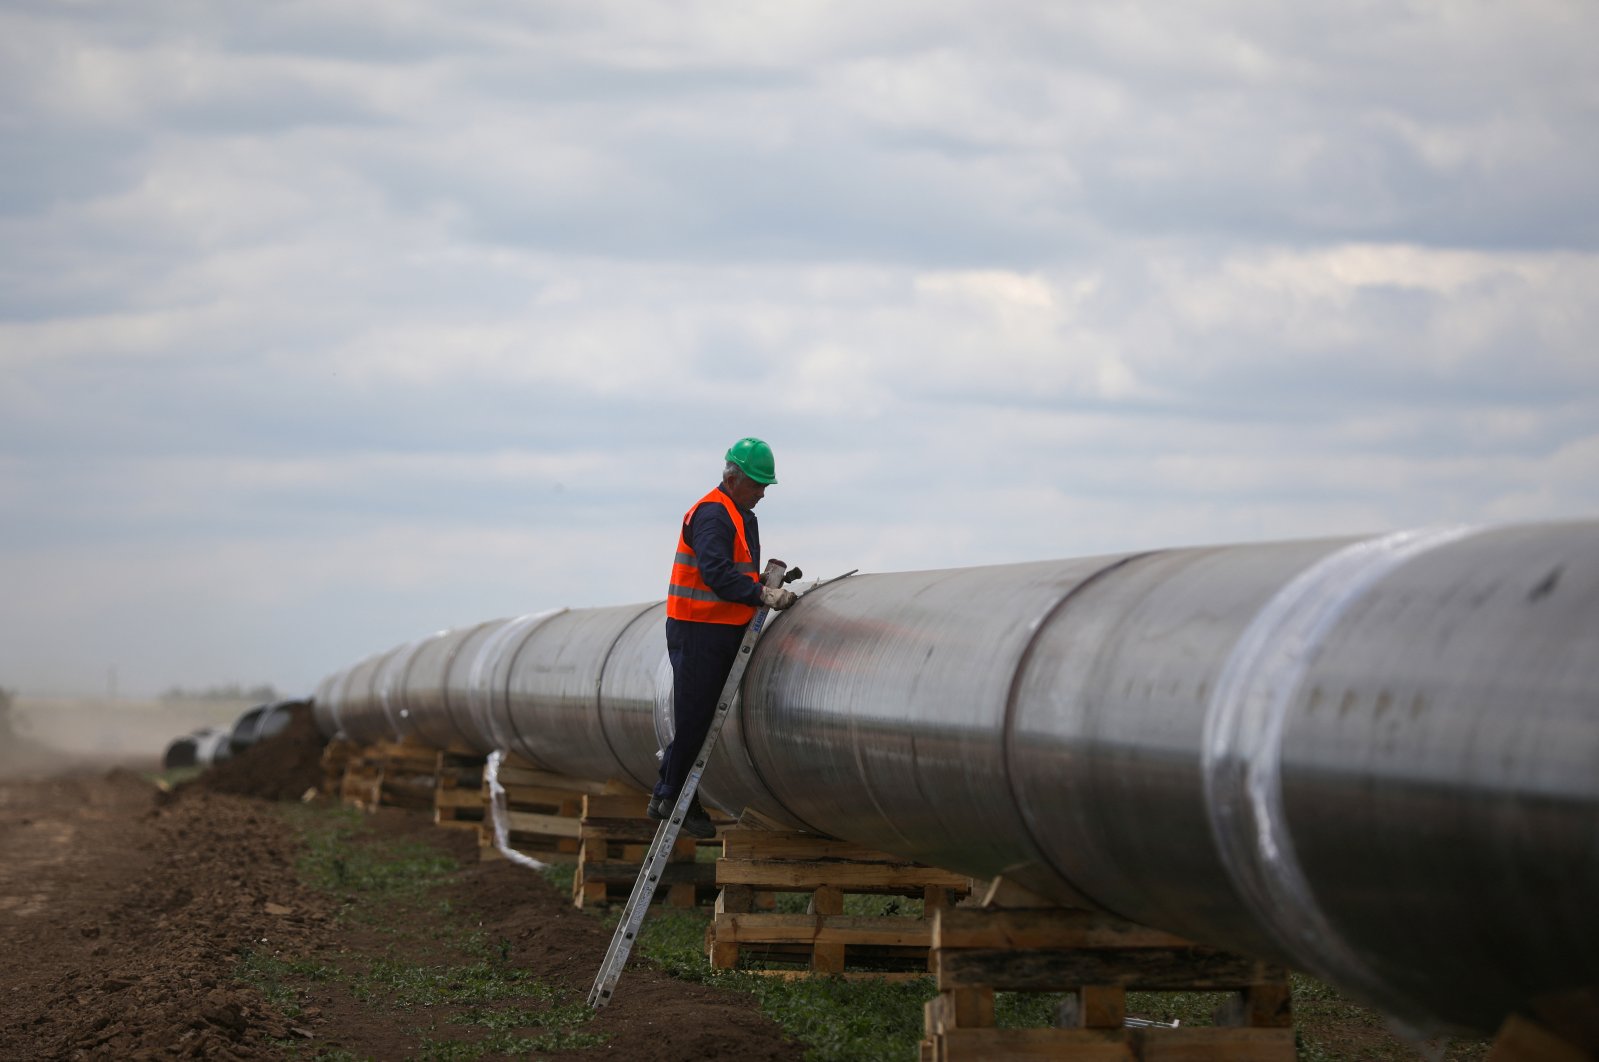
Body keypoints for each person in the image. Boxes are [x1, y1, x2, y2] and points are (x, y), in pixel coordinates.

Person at [651, 437, 797, 838]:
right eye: (757, 485)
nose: (762, 493)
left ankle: (667, 790)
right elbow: (716, 574)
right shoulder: (714, 514)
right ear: (733, 479)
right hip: (700, 630)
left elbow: (734, 569)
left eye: (765, 486)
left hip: (717, 628)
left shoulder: (738, 513)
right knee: (696, 719)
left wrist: (757, 584)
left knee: (699, 717)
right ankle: (672, 796)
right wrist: (761, 594)